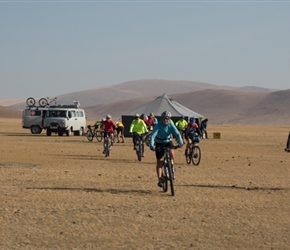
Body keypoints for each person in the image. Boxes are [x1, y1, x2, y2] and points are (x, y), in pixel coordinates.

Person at [149, 111, 183, 187]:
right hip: (159, 142)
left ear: (169, 119)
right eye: (164, 119)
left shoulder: (171, 124)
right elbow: (153, 135)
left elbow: (177, 133)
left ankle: (172, 167)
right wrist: (151, 145)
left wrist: (180, 142)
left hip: (168, 141)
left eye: (167, 119)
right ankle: (160, 179)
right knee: (159, 161)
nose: (165, 120)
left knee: (171, 153)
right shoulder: (158, 125)